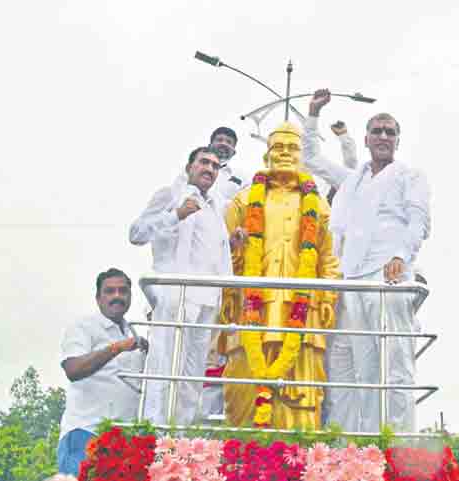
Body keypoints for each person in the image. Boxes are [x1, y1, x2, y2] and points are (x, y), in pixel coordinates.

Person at [302, 89, 431, 433]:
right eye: (378, 131)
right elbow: (311, 158)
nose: (384, 137)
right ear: (367, 139)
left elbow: (419, 222)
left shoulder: (409, 176)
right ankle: (363, 444)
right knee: (359, 367)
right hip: (352, 278)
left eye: (390, 132)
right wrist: (313, 113)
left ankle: (400, 442)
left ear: (398, 140)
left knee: (396, 362)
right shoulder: (352, 179)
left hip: (388, 276)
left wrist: (401, 257)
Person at [218, 121, 340, 429]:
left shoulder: (318, 205)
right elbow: (221, 257)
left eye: (292, 148)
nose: (285, 154)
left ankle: (298, 461)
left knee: (302, 391)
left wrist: (327, 297)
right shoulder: (243, 202)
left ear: (302, 156)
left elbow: (327, 257)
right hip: (250, 310)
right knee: (243, 386)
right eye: (278, 148)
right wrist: (230, 294)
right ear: (266, 156)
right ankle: (242, 456)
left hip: (302, 311)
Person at [129, 147, 238, 426]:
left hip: (207, 299)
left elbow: (213, 253)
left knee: (192, 374)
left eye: (215, 165)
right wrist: (176, 214)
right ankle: (155, 431)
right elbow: (137, 233)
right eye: (204, 162)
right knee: (165, 366)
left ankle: (181, 437)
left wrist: (232, 243)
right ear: (189, 166)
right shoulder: (170, 194)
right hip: (176, 294)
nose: (209, 169)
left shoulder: (216, 205)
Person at [57, 268, 148, 476]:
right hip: (86, 433)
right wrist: (115, 348)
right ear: (98, 298)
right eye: (110, 291)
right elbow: (73, 369)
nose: (117, 296)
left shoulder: (132, 333)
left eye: (123, 291)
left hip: (122, 442)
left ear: (130, 297)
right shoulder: (84, 326)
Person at [209, 126, 251, 201]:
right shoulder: (191, 170)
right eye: (219, 140)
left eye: (229, 142)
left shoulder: (243, 179)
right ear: (209, 146)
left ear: (234, 152)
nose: (224, 144)